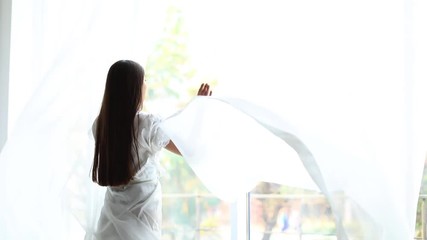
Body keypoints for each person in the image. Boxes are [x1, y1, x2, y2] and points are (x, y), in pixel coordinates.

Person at [91, 59, 212, 239]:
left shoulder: (100, 125)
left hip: (110, 218)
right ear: (133, 87)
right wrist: (199, 109)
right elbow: (187, 148)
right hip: (142, 217)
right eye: (144, 80)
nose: (146, 85)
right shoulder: (145, 125)